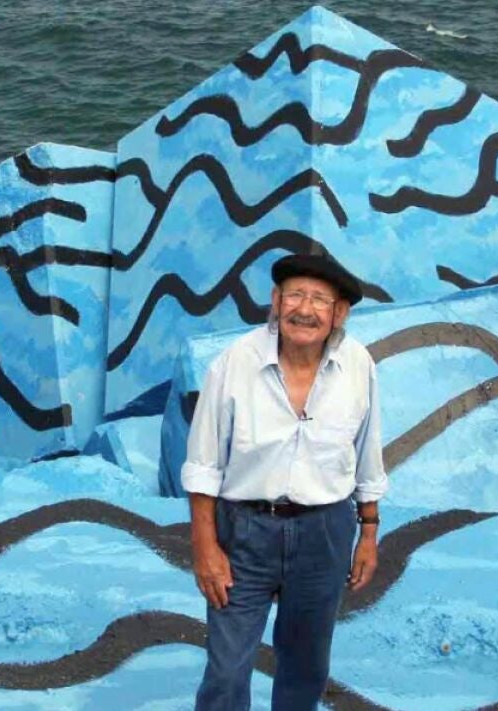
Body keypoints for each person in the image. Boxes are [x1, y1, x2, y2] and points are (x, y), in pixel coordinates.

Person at [182, 252, 389, 710]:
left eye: (319, 299)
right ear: (276, 301)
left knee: (305, 666)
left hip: (325, 532)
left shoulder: (358, 365)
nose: (304, 309)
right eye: (295, 295)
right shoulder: (233, 363)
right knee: (226, 670)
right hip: (244, 531)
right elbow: (203, 465)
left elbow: (367, 453)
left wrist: (369, 533)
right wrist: (204, 547)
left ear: (339, 313)